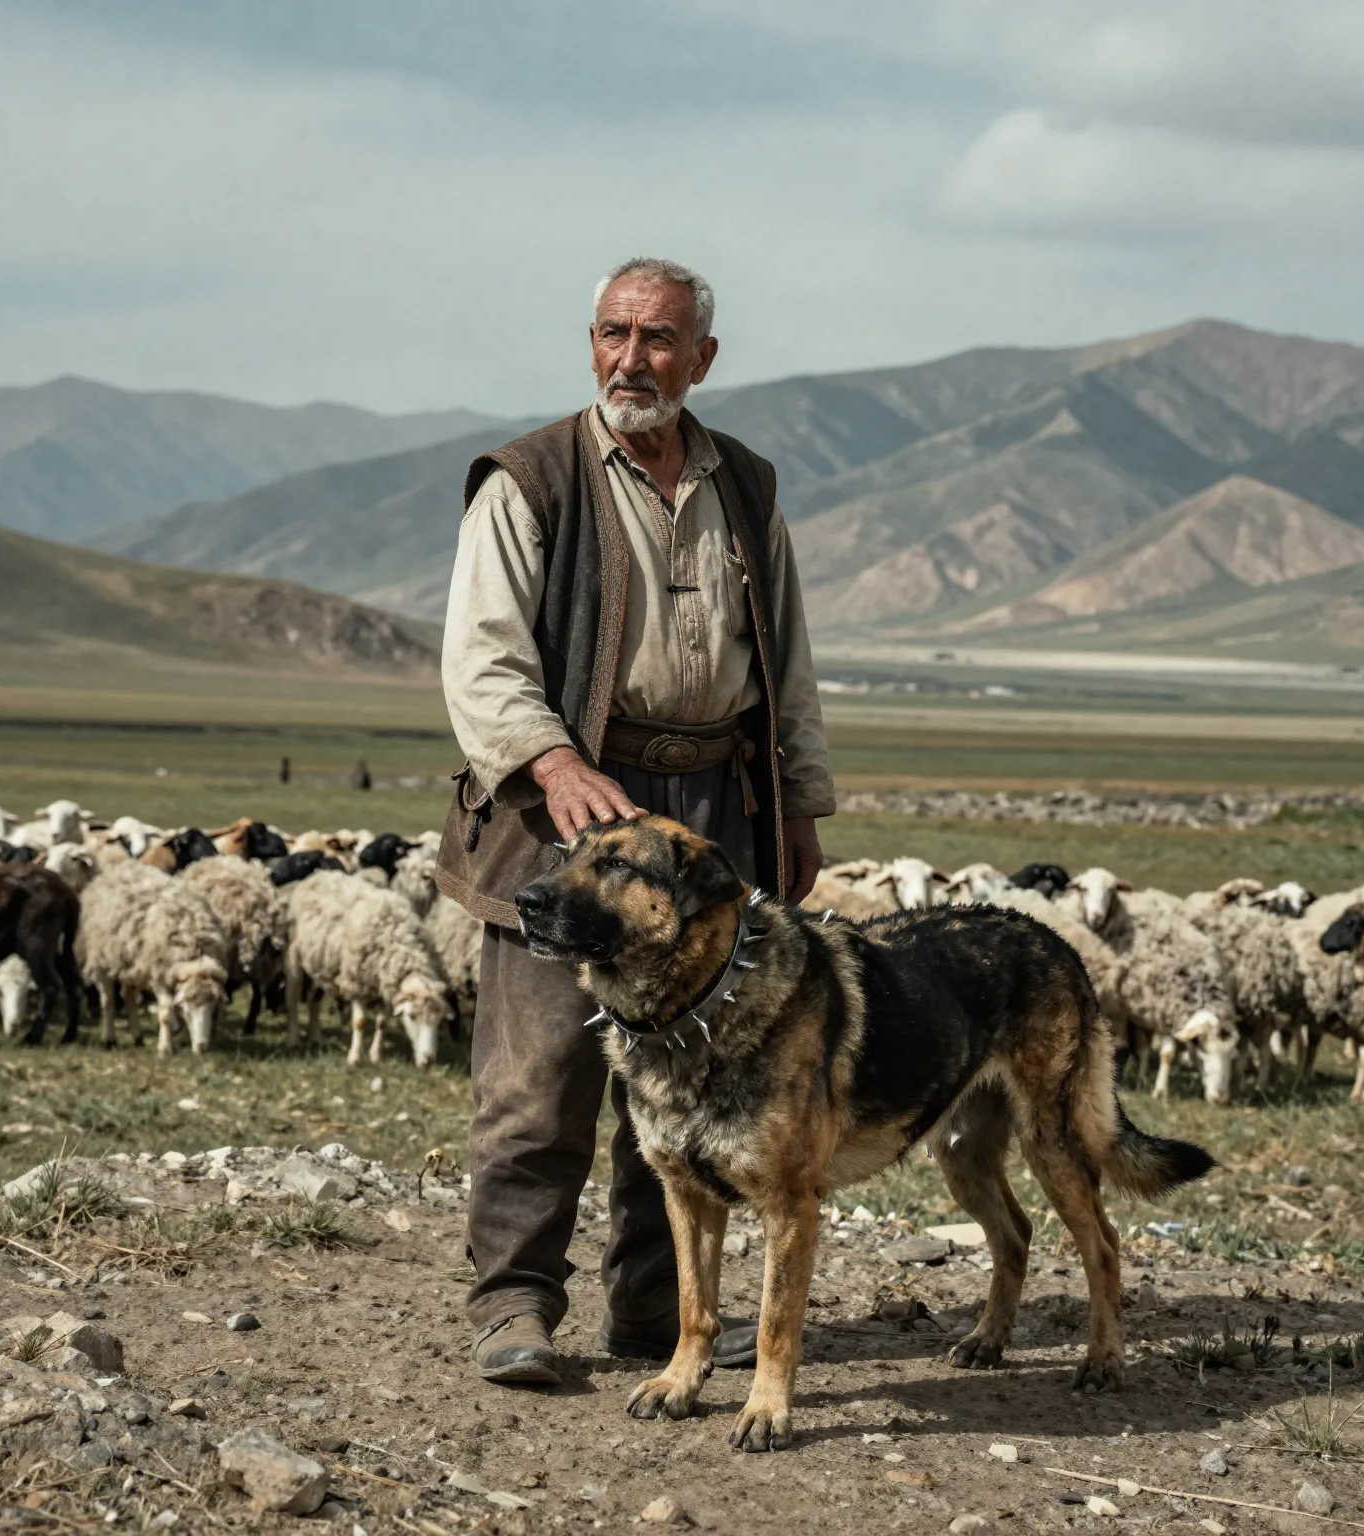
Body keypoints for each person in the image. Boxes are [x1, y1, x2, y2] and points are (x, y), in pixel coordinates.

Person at [436, 257, 833, 1384]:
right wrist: (552, 762)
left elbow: (787, 659)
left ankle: (658, 1319)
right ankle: (514, 1305)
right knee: (538, 1073)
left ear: (701, 357)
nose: (631, 359)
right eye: (613, 333)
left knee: (694, 1073)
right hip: (561, 807)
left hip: (711, 813)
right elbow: (481, 661)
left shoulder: (744, 483)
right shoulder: (531, 480)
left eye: (658, 339)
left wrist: (797, 796)